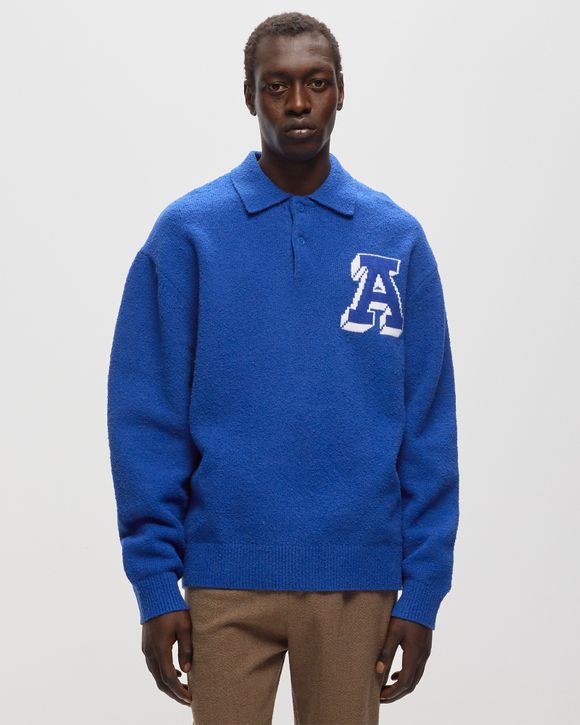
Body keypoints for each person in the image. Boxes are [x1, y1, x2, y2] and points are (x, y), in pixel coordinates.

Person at [107, 11, 460, 724]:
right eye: (277, 86)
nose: (298, 104)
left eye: (316, 83)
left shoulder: (396, 239)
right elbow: (145, 415)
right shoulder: (189, 234)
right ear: (250, 96)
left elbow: (428, 423)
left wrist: (423, 591)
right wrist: (155, 583)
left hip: (358, 582)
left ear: (341, 91)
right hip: (222, 582)